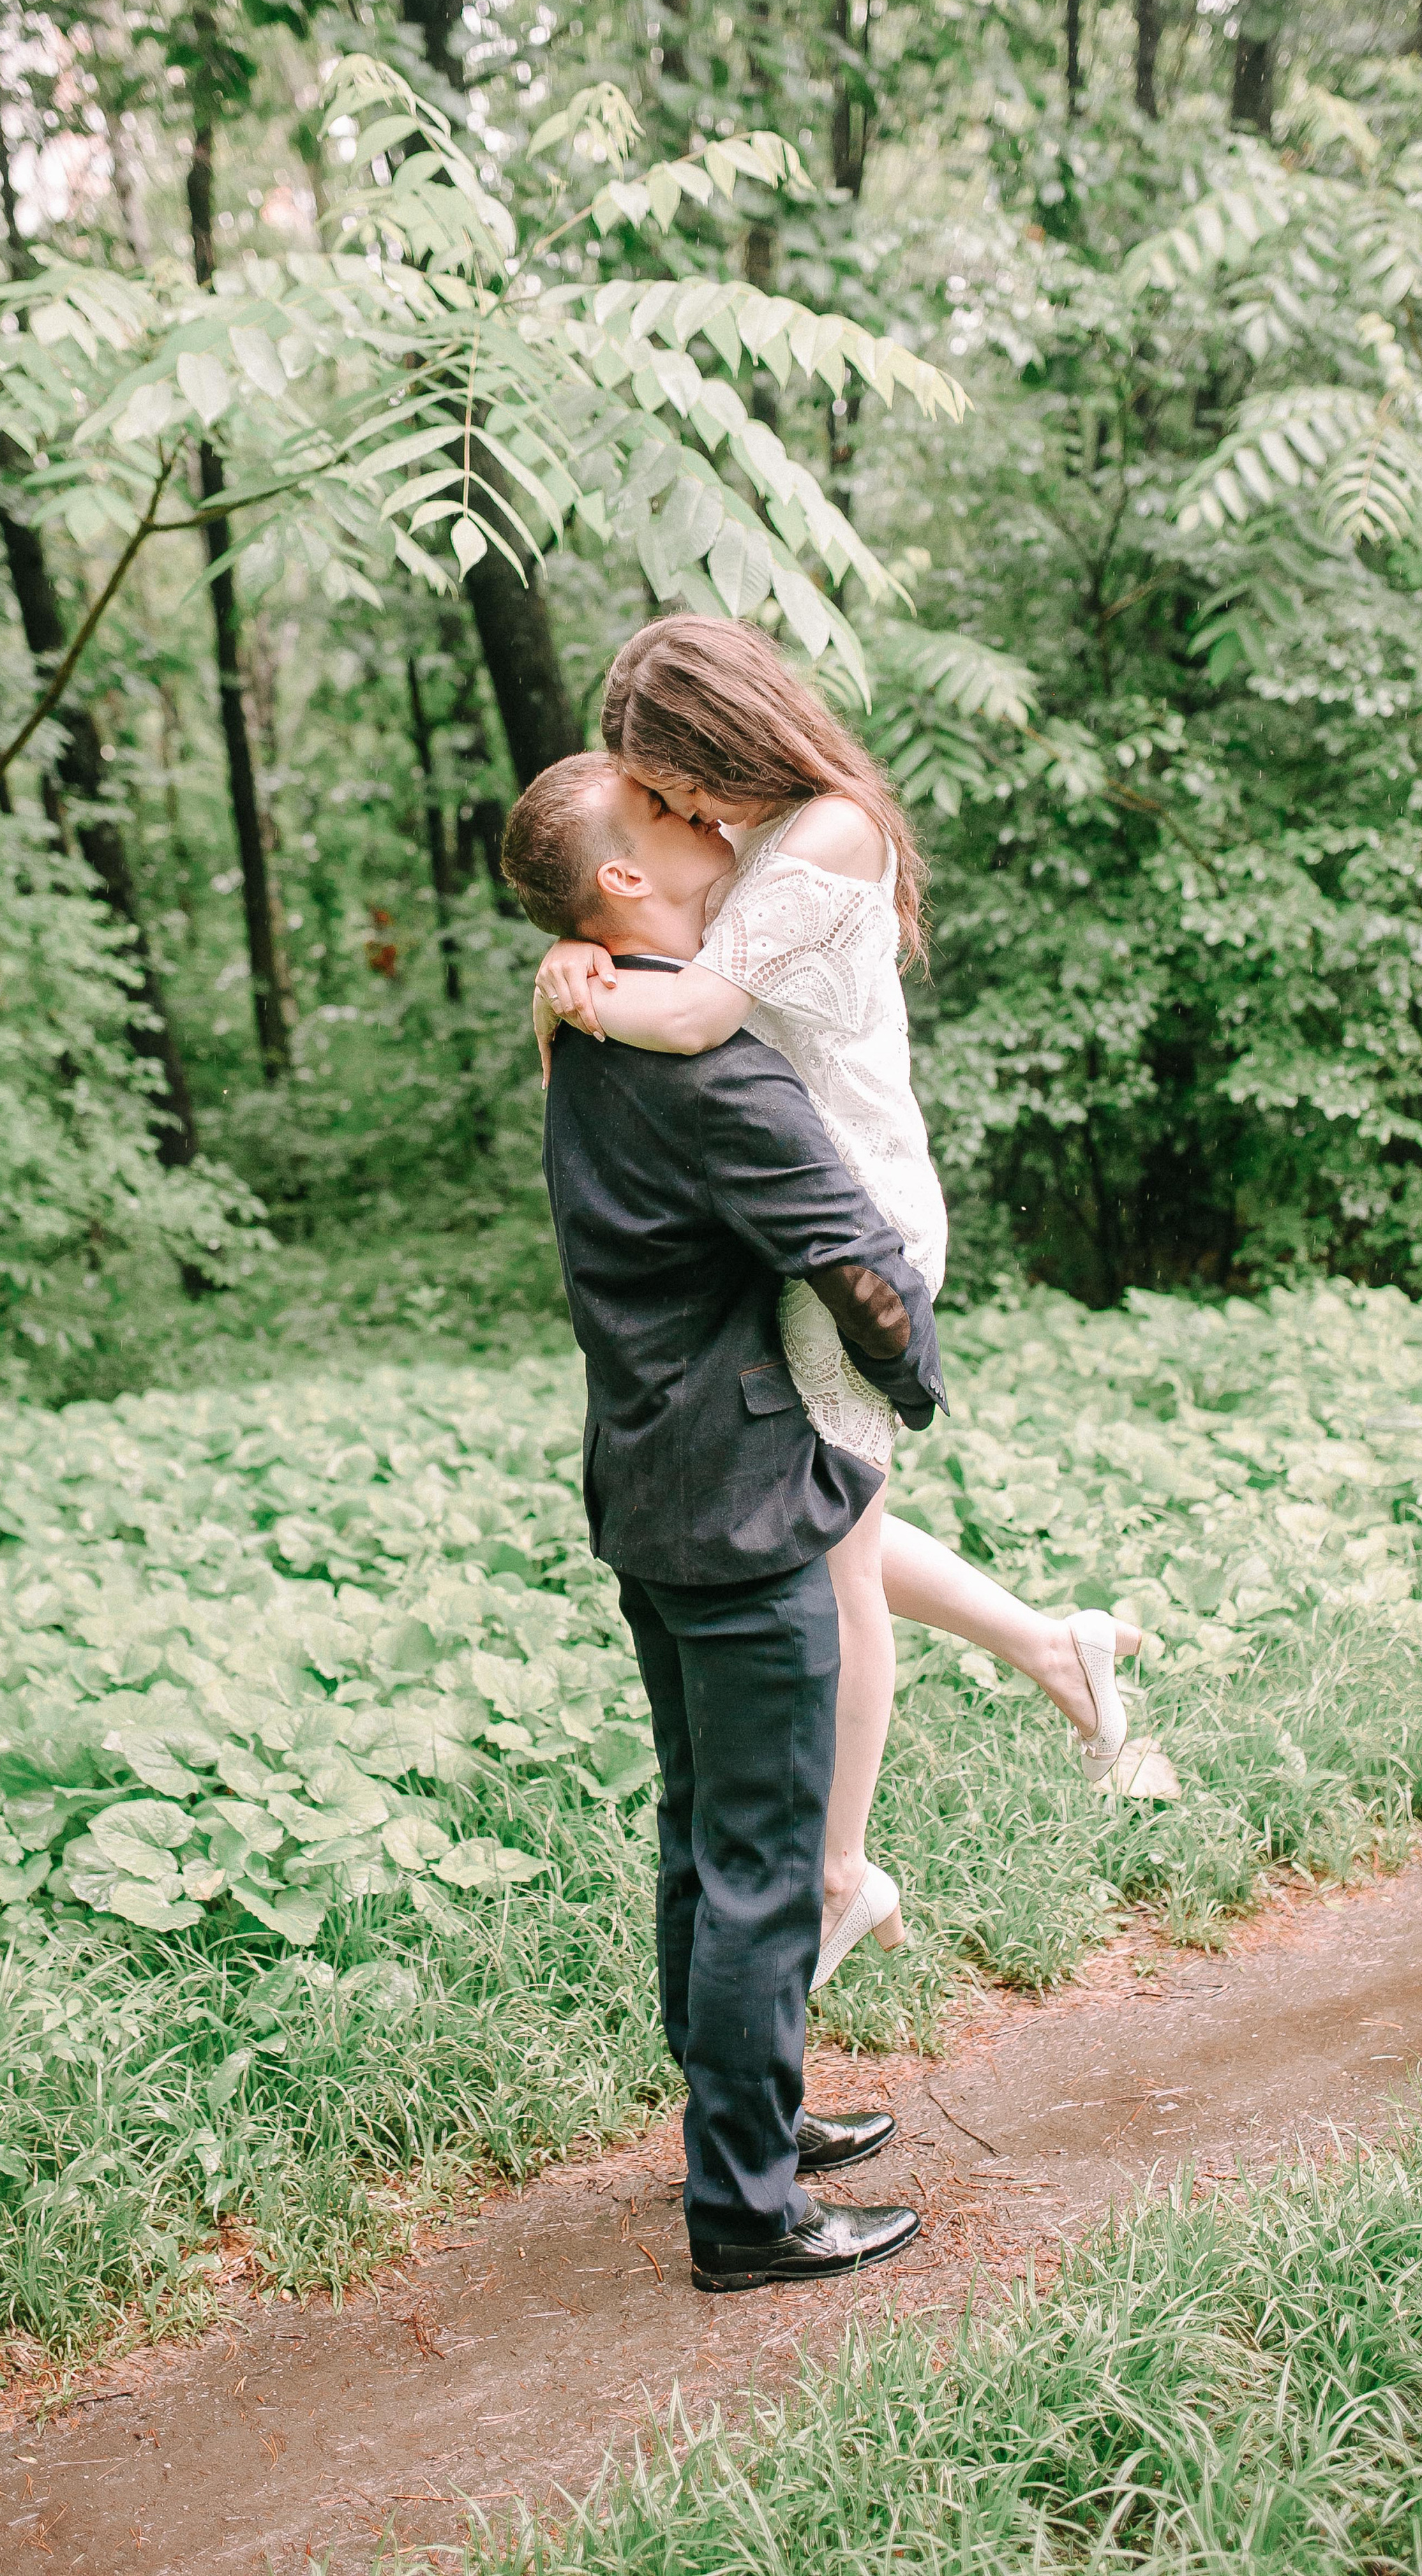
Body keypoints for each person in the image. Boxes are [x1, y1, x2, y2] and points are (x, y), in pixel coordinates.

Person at [525, 619, 1140, 1990]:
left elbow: (688, 1020)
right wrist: (581, 955)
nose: (677, 813)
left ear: (721, 740)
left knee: (833, 1557)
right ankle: (1054, 1646)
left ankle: (838, 1871)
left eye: (675, 782)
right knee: (834, 1509)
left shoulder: (826, 835)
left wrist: (580, 984)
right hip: (784, 1213)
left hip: (843, 1221)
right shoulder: (754, 831)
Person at [502, 751, 941, 2293]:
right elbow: (856, 1263)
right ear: (623, 879)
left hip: (647, 1480)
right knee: (755, 1859)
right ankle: (746, 2219)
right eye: (676, 816)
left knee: (703, 1838)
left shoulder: (582, 1032)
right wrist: (915, 1385)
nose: (711, 824)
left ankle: (744, 2126)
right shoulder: (714, 1067)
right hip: (748, 1499)